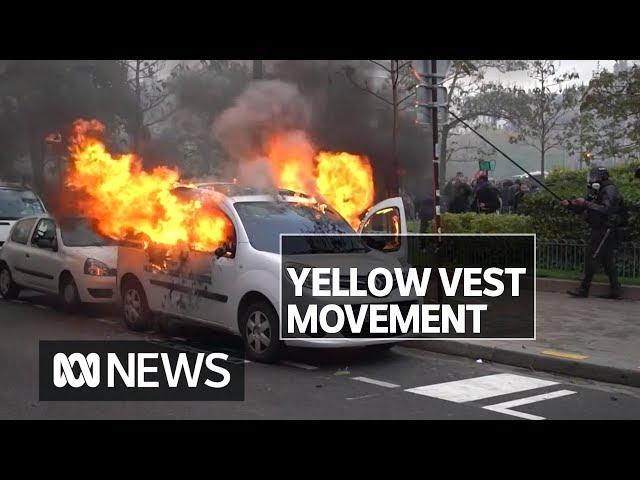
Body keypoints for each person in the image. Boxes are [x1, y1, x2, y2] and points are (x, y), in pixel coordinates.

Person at [561, 166, 625, 299]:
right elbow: (586, 208)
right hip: (600, 228)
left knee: (592, 257)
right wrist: (570, 205)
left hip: (606, 229)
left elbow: (606, 209)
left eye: (595, 177)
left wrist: (585, 203)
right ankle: (616, 290)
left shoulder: (609, 189)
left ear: (602, 177)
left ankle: (584, 289)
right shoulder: (596, 191)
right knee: (607, 261)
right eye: (592, 177)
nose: (592, 179)